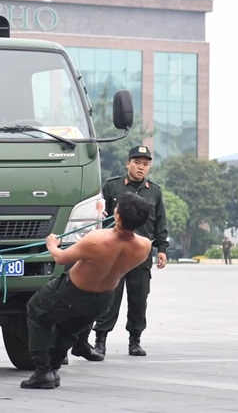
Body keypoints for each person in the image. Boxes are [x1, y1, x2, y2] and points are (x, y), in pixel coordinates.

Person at [20, 193, 153, 390]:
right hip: (102, 302)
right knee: (69, 329)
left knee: (36, 311)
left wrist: (52, 244)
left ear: (116, 217)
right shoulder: (144, 246)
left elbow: (61, 258)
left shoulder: (96, 240)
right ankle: (52, 369)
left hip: (71, 291)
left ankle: (42, 370)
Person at [72, 145, 168, 361]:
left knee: (139, 298)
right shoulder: (112, 187)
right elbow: (98, 216)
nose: (141, 168)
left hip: (140, 255)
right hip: (113, 254)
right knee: (109, 297)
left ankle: (135, 340)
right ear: (128, 163)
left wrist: (162, 249)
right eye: (137, 163)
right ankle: (100, 341)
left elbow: (161, 222)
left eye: (145, 164)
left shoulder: (155, 191)